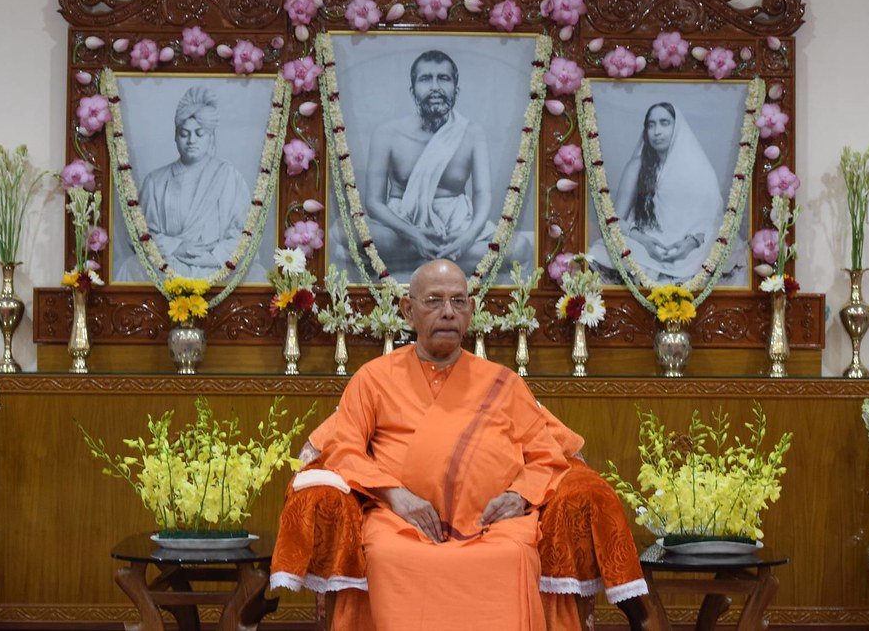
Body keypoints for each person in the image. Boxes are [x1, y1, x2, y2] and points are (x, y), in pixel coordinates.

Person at [270, 260, 649, 630]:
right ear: (408, 310)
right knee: (386, 555)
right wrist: (395, 496)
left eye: (458, 301)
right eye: (434, 301)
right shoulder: (373, 379)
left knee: (514, 554)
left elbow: (547, 456)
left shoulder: (502, 382)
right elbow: (344, 450)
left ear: (471, 311)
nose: (448, 312)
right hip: (399, 521)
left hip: (494, 523)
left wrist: (519, 496)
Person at [117, 86, 251, 280]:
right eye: (184, 133)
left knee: (256, 275)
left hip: (216, 264)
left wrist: (214, 257)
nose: (191, 140)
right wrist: (177, 246)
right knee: (129, 268)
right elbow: (138, 233)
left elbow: (245, 231)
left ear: (211, 137)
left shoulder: (229, 177)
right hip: (167, 262)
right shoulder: (156, 182)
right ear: (175, 136)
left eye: (199, 133)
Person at [588, 102, 730, 283]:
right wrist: (644, 241)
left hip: (688, 247)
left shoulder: (697, 169)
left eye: (664, 123)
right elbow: (614, 221)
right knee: (601, 251)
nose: (657, 131)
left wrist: (690, 243)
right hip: (642, 243)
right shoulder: (637, 166)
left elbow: (713, 219)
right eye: (651, 124)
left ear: (677, 127)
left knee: (720, 250)